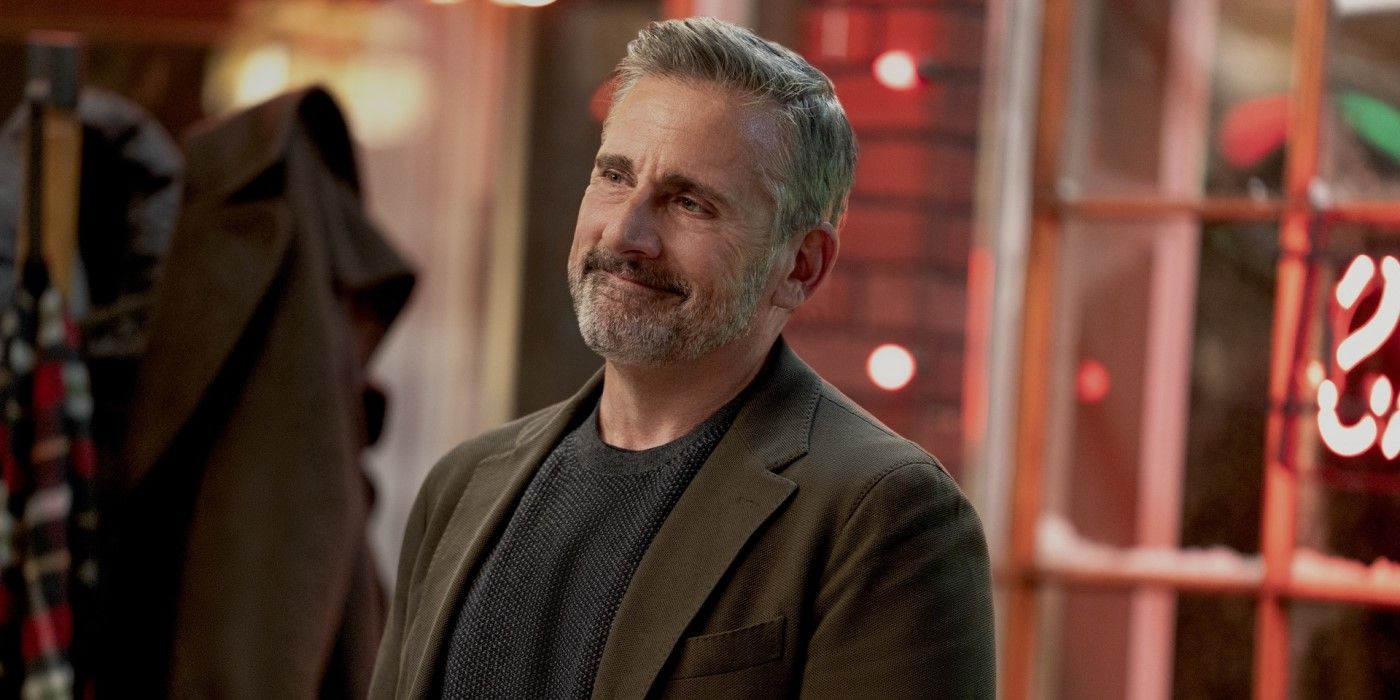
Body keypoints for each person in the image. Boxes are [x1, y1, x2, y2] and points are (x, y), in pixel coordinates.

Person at [369, 17, 995, 700]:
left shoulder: (882, 515)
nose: (626, 233)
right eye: (615, 176)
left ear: (801, 265)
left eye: (690, 203)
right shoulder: (462, 486)